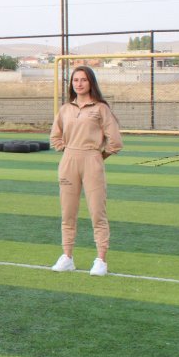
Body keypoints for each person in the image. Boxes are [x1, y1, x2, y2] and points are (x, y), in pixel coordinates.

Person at [49, 65, 123, 276]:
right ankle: (67, 257)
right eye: (75, 80)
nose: (79, 84)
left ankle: (101, 260)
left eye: (83, 80)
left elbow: (115, 141)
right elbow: (55, 136)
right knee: (68, 212)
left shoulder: (100, 109)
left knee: (97, 212)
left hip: (92, 161)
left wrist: (98, 156)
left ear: (91, 82)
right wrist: (66, 150)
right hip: (68, 162)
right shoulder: (65, 109)